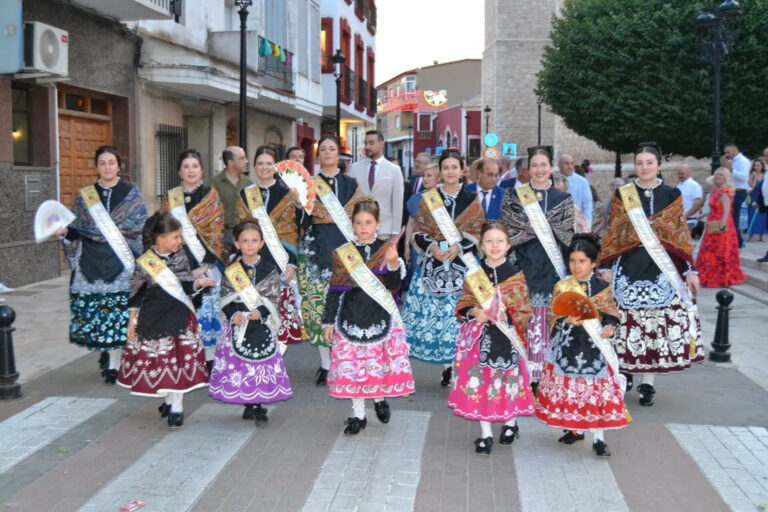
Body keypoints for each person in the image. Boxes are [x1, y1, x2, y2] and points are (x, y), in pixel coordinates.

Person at [600, 142, 703, 407]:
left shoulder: (672, 194)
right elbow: (614, 233)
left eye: (649, 162)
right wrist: (607, 267)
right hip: (629, 268)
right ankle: (625, 372)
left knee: (654, 328)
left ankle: (648, 383)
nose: (644, 167)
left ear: (658, 164)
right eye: (640, 163)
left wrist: (690, 270)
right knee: (627, 326)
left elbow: (680, 235)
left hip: (662, 270)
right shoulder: (624, 194)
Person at [322, 200, 415, 435]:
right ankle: (358, 414)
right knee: (354, 367)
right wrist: (328, 321)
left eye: (369, 223)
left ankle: (379, 397)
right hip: (349, 314)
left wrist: (394, 264)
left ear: (378, 224)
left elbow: (394, 287)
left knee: (374, 365)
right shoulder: (344, 253)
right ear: (352, 224)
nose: (363, 227)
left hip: (379, 314)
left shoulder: (386, 250)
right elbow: (334, 289)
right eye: (359, 223)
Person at [57, 145, 147, 384]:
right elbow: (77, 230)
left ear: (119, 165)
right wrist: (64, 232)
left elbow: (140, 227)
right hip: (92, 261)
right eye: (102, 163)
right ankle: (107, 356)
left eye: (111, 162)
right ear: (96, 167)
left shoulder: (131, 192)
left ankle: (115, 363)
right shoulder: (86, 195)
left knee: (120, 314)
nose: (107, 167)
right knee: (101, 314)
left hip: (121, 261)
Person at [535, 234, 628, 457]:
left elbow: (611, 312)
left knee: (595, 393)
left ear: (594, 263)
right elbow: (553, 314)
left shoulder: (602, 287)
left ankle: (599, 438)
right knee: (571, 390)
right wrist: (566, 320)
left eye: (582, 261)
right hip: (568, 346)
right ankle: (574, 430)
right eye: (573, 261)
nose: (576, 266)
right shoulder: (562, 286)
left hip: (594, 348)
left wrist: (610, 326)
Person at [118, 212, 213, 428]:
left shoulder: (180, 257)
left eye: (180, 237)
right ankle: (169, 400)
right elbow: (136, 294)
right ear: (160, 238)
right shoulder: (144, 263)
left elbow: (187, 285)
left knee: (178, 361)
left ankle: (176, 408)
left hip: (178, 315)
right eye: (176, 237)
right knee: (162, 361)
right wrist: (131, 323)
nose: (180, 241)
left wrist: (200, 284)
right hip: (153, 317)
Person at [447, 222, 535, 455]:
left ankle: (510, 422)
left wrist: (509, 315)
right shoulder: (474, 275)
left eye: (499, 241)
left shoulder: (516, 275)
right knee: (481, 383)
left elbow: (525, 311)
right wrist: (474, 312)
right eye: (489, 241)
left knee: (507, 383)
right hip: (478, 338)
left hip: (507, 338)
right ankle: (485, 433)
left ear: (508, 245)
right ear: (482, 246)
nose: (494, 246)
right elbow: (463, 303)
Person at [402, 150, 484, 386]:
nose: (450, 172)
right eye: (445, 167)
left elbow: (478, 231)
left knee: (458, 316)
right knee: (439, 319)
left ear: (462, 170)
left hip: (463, 264)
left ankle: (458, 366)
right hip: (433, 264)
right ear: (441, 171)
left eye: (454, 167)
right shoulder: (429, 198)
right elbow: (418, 232)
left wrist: (459, 247)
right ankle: (448, 367)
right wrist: (432, 248)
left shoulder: (471, 199)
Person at [500, 146, 574, 390]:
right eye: (535, 166)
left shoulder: (563, 199)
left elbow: (566, 235)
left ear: (550, 168)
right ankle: (524, 374)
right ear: (527, 170)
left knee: (546, 324)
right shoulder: (514, 196)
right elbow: (508, 230)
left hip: (553, 269)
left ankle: (545, 376)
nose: (539, 170)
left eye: (543, 165)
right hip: (523, 267)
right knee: (526, 322)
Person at [209, 220, 293, 424]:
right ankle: (248, 402)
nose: (249, 245)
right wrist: (232, 314)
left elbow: (274, 297)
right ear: (237, 244)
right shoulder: (232, 270)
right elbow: (225, 297)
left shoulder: (269, 268)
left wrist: (262, 311)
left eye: (254, 241)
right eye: (245, 241)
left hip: (261, 324)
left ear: (261, 243)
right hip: (238, 323)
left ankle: (257, 403)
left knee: (259, 364)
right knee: (240, 365)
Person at [299, 136, 361, 385]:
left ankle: (344, 359)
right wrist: (299, 204)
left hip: (346, 251)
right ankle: (325, 364)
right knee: (318, 309)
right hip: (317, 250)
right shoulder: (308, 184)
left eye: (331, 149)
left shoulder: (351, 184)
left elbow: (359, 219)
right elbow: (302, 224)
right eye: (322, 149)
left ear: (339, 154)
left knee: (345, 307)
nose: (327, 153)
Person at [161, 149, 226, 364]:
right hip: (177, 263)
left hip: (204, 263)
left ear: (201, 170)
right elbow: (162, 230)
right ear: (180, 171)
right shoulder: (171, 198)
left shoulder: (210, 195)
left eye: (195, 166)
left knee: (206, 313)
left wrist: (205, 265)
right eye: (186, 167)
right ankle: (184, 357)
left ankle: (208, 360)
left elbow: (217, 232)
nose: (191, 171)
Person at [237, 145, 303, 346]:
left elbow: (293, 231)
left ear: (276, 166)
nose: (264, 167)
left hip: (279, 260)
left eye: (268, 163)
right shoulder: (246, 193)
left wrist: (291, 263)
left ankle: (276, 363)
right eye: (260, 163)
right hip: (252, 260)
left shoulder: (286, 194)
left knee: (277, 313)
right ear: (254, 166)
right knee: (255, 311)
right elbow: (240, 227)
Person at [695, 168, 746, 288]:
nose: (718, 176)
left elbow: (726, 211)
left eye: (721, 175)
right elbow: (717, 209)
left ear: (726, 178)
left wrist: (722, 227)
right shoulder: (716, 191)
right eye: (717, 174)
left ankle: (721, 277)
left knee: (720, 251)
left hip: (721, 225)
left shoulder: (724, 192)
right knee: (710, 250)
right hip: (713, 224)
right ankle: (709, 276)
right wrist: (705, 215)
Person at [349, 130, 404, 238]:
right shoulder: (355, 168)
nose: (367, 147)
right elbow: (350, 201)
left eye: (371, 143)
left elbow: (397, 205)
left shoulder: (394, 170)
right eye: (366, 143)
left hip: (384, 232)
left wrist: (395, 234)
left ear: (381, 144)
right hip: (359, 232)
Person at [403, 164, 440, 294]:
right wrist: (407, 246)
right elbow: (410, 223)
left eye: (429, 176)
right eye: (423, 176)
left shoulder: (444, 197)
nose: (425, 179)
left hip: (439, 245)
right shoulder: (415, 198)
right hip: (418, 245)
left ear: (438, 178)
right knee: (417, 274)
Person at [213, 146, 252, 245]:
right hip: (223, 235)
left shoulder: (248, 182)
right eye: (242, 158)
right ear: (230, 162)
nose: (246, 161)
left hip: (245, 234)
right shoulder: (215, 183)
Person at [723, 143, 750, 247]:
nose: (726, 154)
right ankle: (735, 239)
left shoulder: (743, 161)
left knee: (735, 216)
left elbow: (743, 177)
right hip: (731, 190)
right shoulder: (731, 161)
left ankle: (738, 241)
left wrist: (732, 170)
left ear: (734, 150)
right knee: (731, 216)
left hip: (739, 191)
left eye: (728, 152)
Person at [558, 154, 593, 225]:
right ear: (559, 165)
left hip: (576, 224)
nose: (570, 166)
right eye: (566, 164)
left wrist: (587, 224)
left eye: (571, 163)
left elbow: (587, 204)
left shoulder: (582, 182)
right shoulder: (552, 181)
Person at [676, 164, 704, 231]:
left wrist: (685, 216)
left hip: (690, 222)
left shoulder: (694, 186)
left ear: (689, 173)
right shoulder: (679, 186)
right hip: (680, 221)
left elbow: (697, 204)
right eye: (679, 174)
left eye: (682, 174)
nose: (680, 176)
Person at [747, 159, 767, 241]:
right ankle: (751, 235)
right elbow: (750, 188)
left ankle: (761, 236)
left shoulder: (765, 175)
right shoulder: (752, 175)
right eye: (755, 165)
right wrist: (753, 180)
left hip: (762, 197)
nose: (757, 167)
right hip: (754, 196)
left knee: (763, 216)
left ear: (762, 166)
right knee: (752, 215)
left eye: (759, 165)